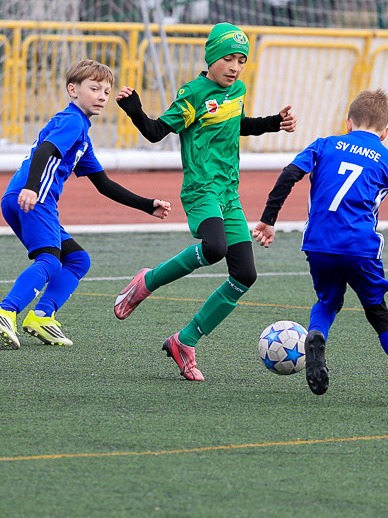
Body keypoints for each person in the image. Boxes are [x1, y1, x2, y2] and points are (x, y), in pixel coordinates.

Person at [112, 22, 296, 380]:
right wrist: (134, 109)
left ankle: (185, 340)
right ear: (211, 57)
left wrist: (275, 122)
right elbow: (154, 132)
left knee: (245, 274)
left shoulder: (237, 89)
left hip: (229, 192)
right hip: (201, 189)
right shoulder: (193, 93)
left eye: (241, 60)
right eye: (228, 58)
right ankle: (147, 281)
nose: (235, 66)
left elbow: (237, 124)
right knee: (214, 248)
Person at [251, 89, 388, 406]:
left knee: (327, 301)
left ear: (348, 123)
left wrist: (268, 219)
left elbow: (289, 175)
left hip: (318, 244)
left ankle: (316, 335)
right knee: (378, 312)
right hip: (360, 248)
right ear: (386, 132)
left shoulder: (325, 144)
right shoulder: (387, 160)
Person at [0, 59, 172, 349]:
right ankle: (5, 310)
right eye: (94, 88)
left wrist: (147, 205)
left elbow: (104, 184)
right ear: (73, 90)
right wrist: (32, 188)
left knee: (78, 260)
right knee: (49, 259)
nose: (101, 96)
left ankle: (42, 316)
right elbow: (45, 150)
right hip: (35, 198)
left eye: (106, 92)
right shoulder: (71, 121)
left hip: (25, 197)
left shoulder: (82, 133)